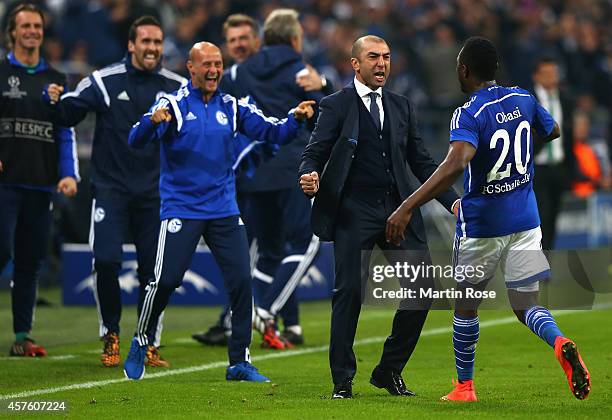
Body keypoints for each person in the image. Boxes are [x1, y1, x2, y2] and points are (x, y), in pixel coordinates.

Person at [385, 36, 591, 402]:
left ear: (464, 70)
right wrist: (521, 158)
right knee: (526, 304)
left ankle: (465, 387)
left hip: (482, 226)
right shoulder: (524, 98)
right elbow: (553, 130)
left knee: (465, 305)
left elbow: (456, 163)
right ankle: (559, 341)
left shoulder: (468, 113)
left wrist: (408, 205)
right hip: (526, 220)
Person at [123, 41, 315, 382]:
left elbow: (273, 131)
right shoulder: (173, 105)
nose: (214, 70)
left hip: (224, 208)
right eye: (207, 64)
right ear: (191, 67)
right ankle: (141, 340)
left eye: (218, 64)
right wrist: (152, 123)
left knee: (242, 282)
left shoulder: (235, 107)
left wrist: (295, 119)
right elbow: (135, 140)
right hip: (182, 207)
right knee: (166, 280)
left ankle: (239, 361)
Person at [299, 35, 459, 399]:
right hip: (354, 211)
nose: (382, 63)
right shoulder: (335, 105)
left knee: (422, 291)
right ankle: (342, 379)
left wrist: (452, 202)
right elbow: (314, 152)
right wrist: (308, 175)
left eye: (386, 56)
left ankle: (389, 371)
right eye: (373, 57)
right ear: (355, 64)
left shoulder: (403, 105)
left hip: (399, 210)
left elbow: (422, 162)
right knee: (349, 293)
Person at [45, 15, 186, 368]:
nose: (152, 48)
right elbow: (69, 113)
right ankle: (110, 332)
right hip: (111, 190)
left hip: (155, 194)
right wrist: (54, 100)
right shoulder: (105, 81)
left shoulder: (176, 86)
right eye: (146, 41)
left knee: (154, 272)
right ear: (131, 45)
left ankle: (147, 339)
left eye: (157, 42)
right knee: (106, 260)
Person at [194, 11, 332, 348]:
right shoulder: (302, 72)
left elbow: (214, 101)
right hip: (293, 170)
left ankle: (251, 317)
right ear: (296, 39)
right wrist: (324, 84)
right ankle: (266, 310)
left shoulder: (238, 72)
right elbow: (329, 114)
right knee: (306, 244)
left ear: (262, 39)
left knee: (267, 252)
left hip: (253, 176)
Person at [0, 3, 79, 357]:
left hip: (40, 184)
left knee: (30, 261)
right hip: (5, 183)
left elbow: (65, 133)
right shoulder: (1, 73)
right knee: (2, 250)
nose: (32, 31)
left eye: (37, 25)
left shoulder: (57, 80)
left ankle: (22, 335)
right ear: (12, 32)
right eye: (25, 25)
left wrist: (68, 174)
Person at [531, 57, 575, 250]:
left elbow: (569, 133)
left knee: (554, 217)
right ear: (536, 76)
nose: (551, 78)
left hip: (558, 166)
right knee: (541, 215)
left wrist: (570, 166)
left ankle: (546, 263)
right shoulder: (528, 100)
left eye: (553, 73)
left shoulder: (565, 99)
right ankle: (537, 263)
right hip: (537, 167)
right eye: (546, 74)